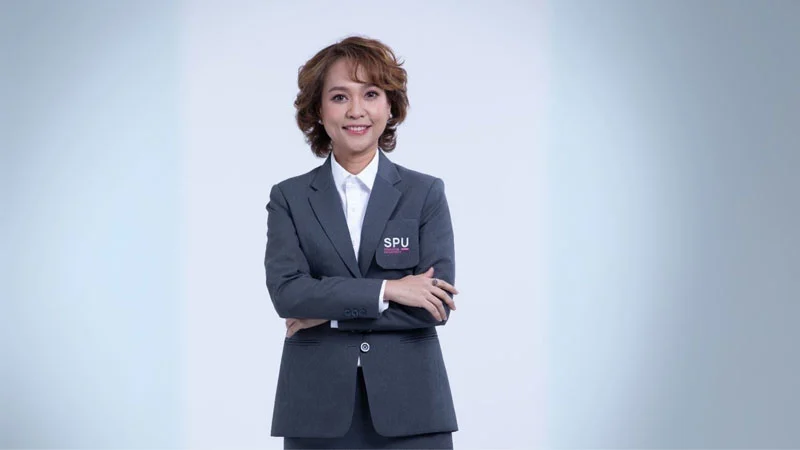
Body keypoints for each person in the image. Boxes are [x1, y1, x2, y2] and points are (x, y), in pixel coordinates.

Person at [264, 35, 459, 449]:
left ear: (390, 107)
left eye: (371, 94)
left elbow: (435, 304)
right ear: (319, 110)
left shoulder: (425, 193)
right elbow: (288, 294)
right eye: (339, 97)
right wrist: (389, 289)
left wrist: (327, 315)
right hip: (315, 411)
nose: (356, 110)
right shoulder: (289, 198)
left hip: (413, 410)